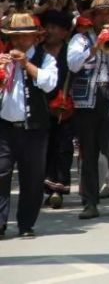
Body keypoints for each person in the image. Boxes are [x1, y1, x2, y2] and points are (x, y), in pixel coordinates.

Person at [67, 0, 109, 220]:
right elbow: (73, 65)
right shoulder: (80, 40)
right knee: (89, 154)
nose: (105, 18)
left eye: (108, 14)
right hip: (88, 102)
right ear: (92, 17)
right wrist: (95, 47)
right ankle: (90, 202)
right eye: (100, 14)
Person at [0, 13, 57, 237]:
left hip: (35, 128)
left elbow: (49, 84)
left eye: (24, 38)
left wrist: (26, 64)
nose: (19, 43)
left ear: (34, 38)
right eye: (15, 38)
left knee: (32, 179)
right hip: (5, 127)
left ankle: (26, 224)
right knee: (1, 174)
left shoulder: (46, 58)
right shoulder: (2, 58)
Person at [40, 10, 73, 209]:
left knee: (63, 148)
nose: (49, 31)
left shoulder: (70, 51)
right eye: (47, 27)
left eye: (54, 27)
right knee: (45, 148)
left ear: (63, 32)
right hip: (40, 106)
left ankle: (58, 190)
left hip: (64, 107)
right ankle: (46, 186)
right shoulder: (37, 51)